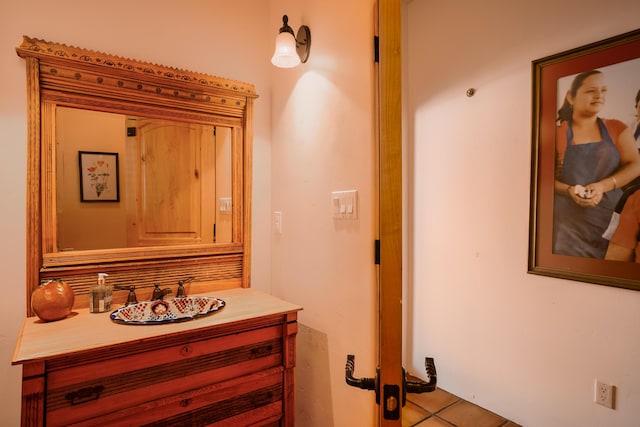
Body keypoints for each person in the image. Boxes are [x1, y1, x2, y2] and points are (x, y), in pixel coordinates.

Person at [553, 70, 640, 258]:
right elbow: (540, 181)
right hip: (568, 231)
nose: (599, 96)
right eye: (591, 90)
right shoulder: (557, 134)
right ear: (571, 97)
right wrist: (569, 190)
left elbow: (635, 165)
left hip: (612, 226)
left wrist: (602, 186)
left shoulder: (617, 128)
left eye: (603, 90)